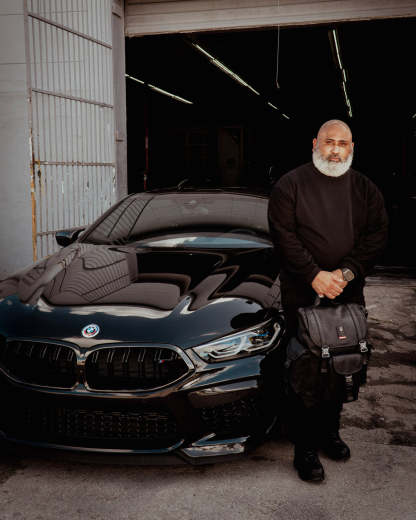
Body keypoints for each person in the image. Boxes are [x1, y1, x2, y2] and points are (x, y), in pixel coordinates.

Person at [267, 119, 388, 482]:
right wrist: (314, 275)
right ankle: (304, 447)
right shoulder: (290, 185)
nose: (335, 150)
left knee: (341, 364)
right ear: (315, 144)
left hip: (347, 293)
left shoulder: (364, 188)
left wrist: (346, 274)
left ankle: (329, 433)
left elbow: (376, 235)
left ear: (351, 148)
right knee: (306, 370)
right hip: (302, 294)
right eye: (329, 142)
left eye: (342, 143)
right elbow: (284, 235)